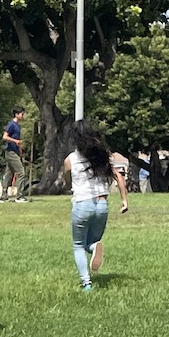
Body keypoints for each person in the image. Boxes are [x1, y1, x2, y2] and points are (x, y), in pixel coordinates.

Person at [63, 119, 128, 291]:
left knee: (78, 245)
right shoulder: (102, 157)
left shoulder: (71, 159)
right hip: (102, 205)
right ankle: (93, 247)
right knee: (91, 240)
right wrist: (124, 200)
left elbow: (67, 178)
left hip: (82, 205)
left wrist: (69, 182)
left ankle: (86, 283)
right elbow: (118, 176)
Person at [1, 106, 28, 202]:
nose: (23, 116)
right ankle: (20, 196)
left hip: (15, 152)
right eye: (22, 114)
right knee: (21, 173)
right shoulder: (11, 124)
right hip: (10, 152)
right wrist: (15, 141)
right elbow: (5, 137)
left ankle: (3, 196)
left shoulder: (18, 125)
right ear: (17, 114)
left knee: (9, 175)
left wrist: (20, 151)